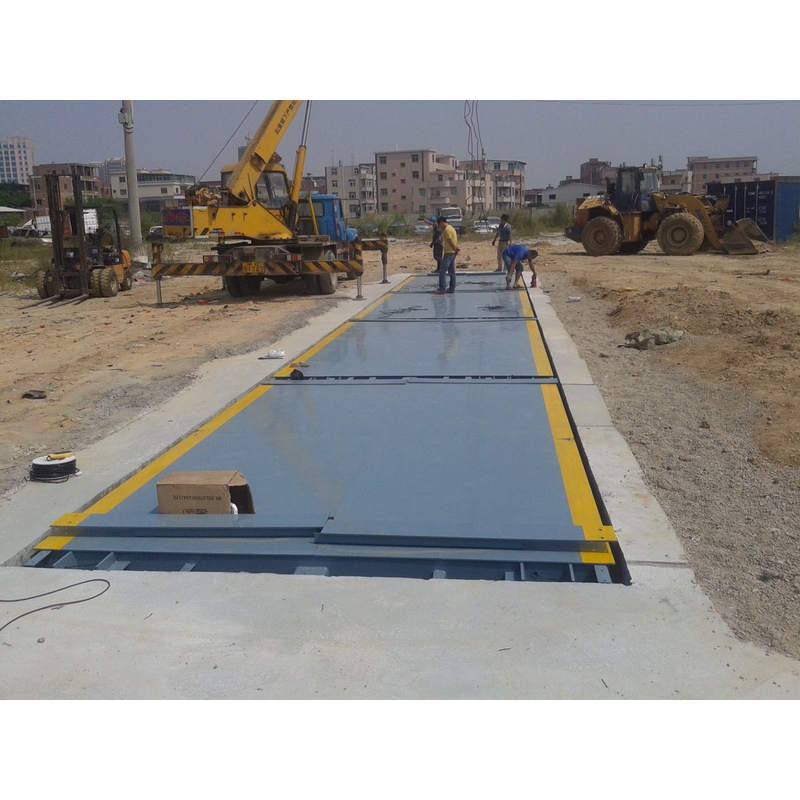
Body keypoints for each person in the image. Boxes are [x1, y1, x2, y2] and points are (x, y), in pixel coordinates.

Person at [434, 216, 460, 294]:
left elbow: (451, 242)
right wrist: (456, 250)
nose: (440, 227)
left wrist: (455, 249)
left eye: (439, 225)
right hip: (452, 252)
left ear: (441, 223)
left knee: (442, 270)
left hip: (449, 252)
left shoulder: (447, 230)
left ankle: (442, 288)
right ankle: (452, 288)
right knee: (451, 271)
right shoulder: (451, 228)